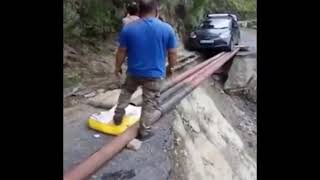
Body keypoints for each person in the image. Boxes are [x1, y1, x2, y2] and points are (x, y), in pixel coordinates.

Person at [113, 0, 178, 140]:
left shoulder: (129, 28)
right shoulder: (167, 29)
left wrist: (117, 67)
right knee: (150, 101)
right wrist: (171, 67)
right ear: (156, 11)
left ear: (139, 11)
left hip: (133, 72)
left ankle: (118, 115)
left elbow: (121, 51)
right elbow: (173, 53)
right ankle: (144, 131)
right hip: (154, 75)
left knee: (126, 91)